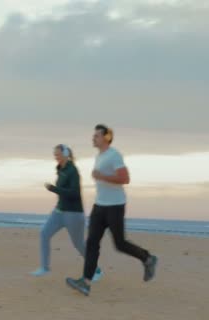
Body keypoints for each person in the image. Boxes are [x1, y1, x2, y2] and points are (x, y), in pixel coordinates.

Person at [66, 124, 158, 296]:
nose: (93, 138)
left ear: (107, 138)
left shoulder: (114, 155)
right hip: (99, 206)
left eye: (97, 136)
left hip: (115, 207)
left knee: (120, 244)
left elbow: (125, 178)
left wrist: (102, 177)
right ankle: (85, 283)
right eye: (94, 135)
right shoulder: (99, 156)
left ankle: (147, 258)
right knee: (92, 243)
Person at [31, 144, 102, 282]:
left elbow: (74, 194)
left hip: (73, 214)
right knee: (44, 233)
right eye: (55, 154)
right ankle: (44, 268)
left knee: (79, 245)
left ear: (65, 154)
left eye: (57, 154)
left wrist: (54, 189)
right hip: (59, 211)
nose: (55, 157)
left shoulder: (73, 171)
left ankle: (97, 270)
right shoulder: (60, 169)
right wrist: (56, 190)